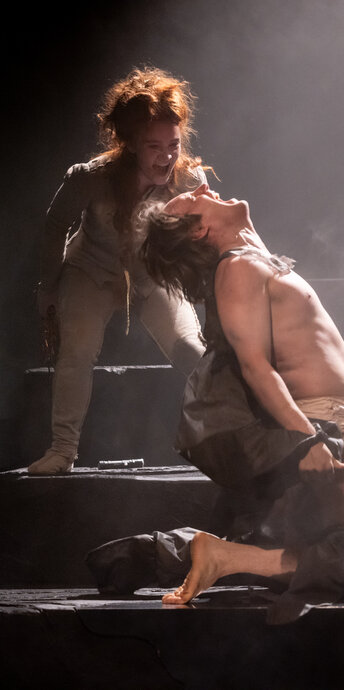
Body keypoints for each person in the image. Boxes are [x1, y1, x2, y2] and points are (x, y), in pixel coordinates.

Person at [86, 185, 344, 623]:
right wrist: (306, 441)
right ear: (200, 230)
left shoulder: (253, 259)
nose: (203, 187)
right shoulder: (237, 268)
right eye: (193, 200)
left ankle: (193, 553)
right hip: (321, 423)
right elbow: (255, 367)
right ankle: (221, 556)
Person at [28, 67, 208, 475]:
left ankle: (236, 438)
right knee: (76, 352)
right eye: (153, 146)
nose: (166, 156)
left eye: (174, 145)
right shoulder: (91, 177)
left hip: (153, 275)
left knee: (191, 350)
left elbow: (211, 241)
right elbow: (56, 225)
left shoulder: (189, 181)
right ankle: (62, 450)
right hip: (91, 271)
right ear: (129, 144)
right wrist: (48, 287)